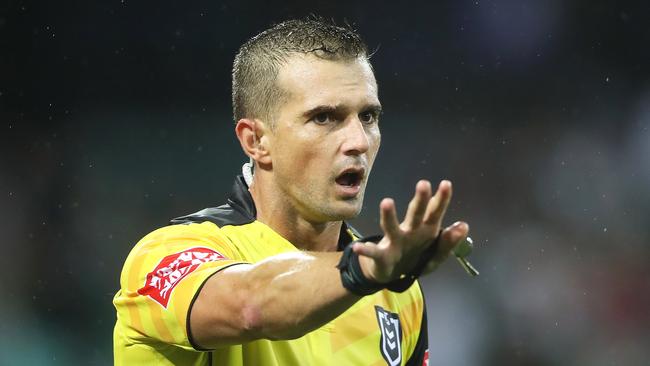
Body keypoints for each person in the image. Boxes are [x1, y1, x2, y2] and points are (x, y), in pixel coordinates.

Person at [113, 18, 470, 366]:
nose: (358, 141)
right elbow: (250, 306)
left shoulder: (398, 295)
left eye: (368, 117)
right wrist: (362, 271)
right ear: (256, 141)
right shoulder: (165, 255)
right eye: (325, 117)